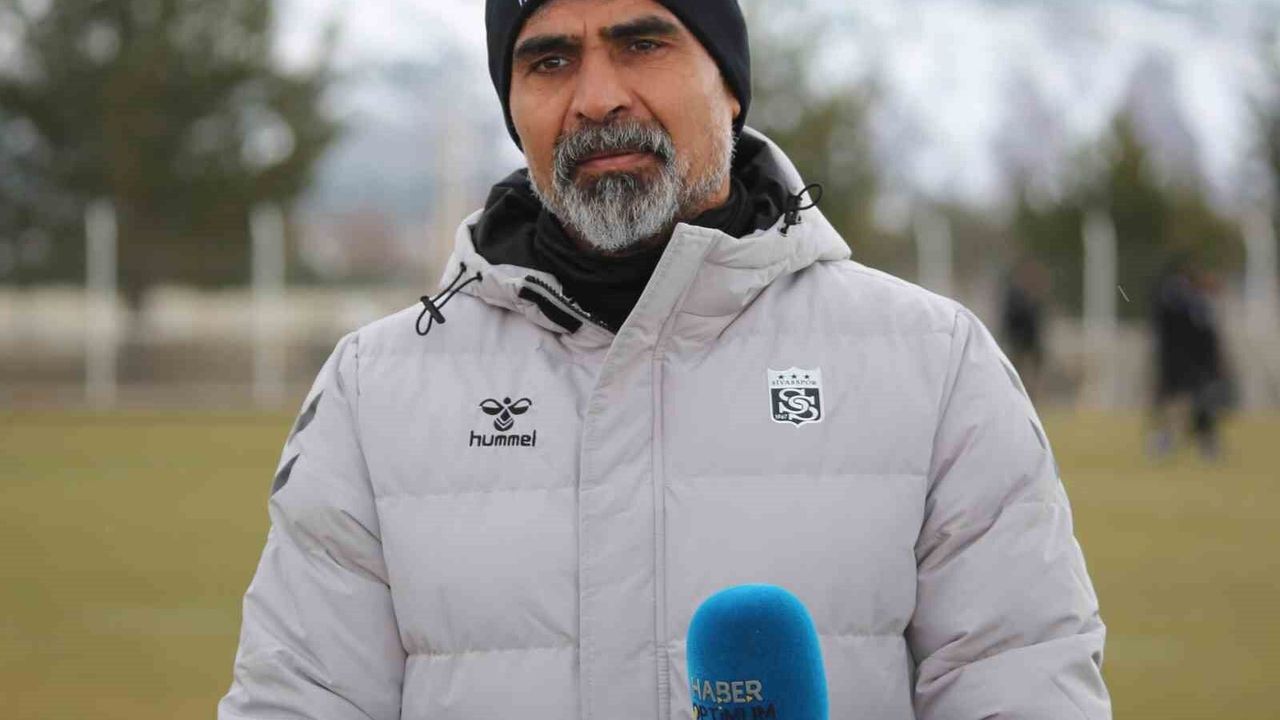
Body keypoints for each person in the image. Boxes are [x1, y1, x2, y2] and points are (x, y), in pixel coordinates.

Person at [219, 1, 1111, 718]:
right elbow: (299, 697)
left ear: (729, 84)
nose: (597, 97)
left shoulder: (933, 364)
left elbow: (1022, 684)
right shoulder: (377, 388)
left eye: (642, 43)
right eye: (549, 61)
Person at [1148, 259, 1230, 460]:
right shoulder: (1185, 299)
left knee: (1193, 404)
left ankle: (1196, 441)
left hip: (1187, 362)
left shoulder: (1190, 300)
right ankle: (1169, 441)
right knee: (1179, 403)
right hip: (1182, 362)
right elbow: (1204, 335)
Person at [1002, 256, 1051, 401]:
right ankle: (1016, 397)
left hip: (1032, 342)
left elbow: (1039, 321)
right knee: (1017, 371)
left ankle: (1033, 397)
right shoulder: (1015, 296)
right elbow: (1010, 318)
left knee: (1033, 372)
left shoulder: (1035, 297)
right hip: (1018, 341)